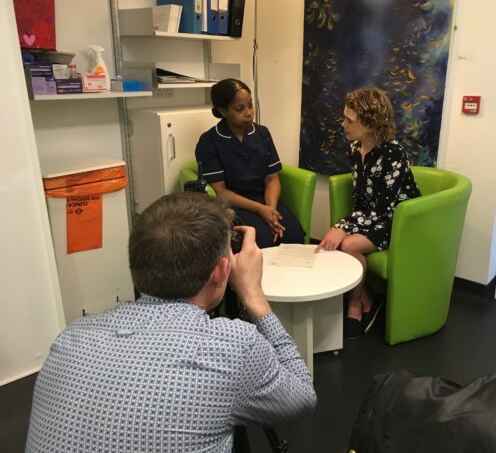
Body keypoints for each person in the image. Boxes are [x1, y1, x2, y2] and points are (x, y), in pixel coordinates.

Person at [26, 192, 317, 453]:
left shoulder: (70, 338)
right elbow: (302, 397)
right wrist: (254, 296)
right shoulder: (232, 347)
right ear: (221, 271)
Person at [316, 88, 421, 339]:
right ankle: (369, 299)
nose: (343, 125)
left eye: (349, 120)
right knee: (340, 240)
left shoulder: (393, 154)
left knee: (349, 244)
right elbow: (360, 198)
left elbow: (384, 210)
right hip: (371, 215)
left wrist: (342, 226)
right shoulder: (355, 148)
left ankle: (355, 304)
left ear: (370, 125)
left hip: (399, 219)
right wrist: (345, 225)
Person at [196, 78, 305, 248]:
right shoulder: (209, 142)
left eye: (250, 105)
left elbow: (272, 179)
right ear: (223, 111)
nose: (249, 112)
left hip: (265, 199)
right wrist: (261, 210)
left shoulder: (262, 133)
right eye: (240, 108)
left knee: (294, 235)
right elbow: (221, 192)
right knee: (262, 241)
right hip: (233, 205)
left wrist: (270, 210)